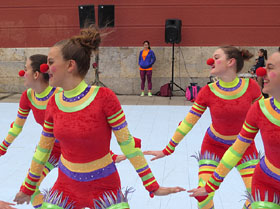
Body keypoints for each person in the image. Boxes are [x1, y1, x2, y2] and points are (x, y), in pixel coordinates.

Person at [14, 26, 184, 209]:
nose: (46, 69)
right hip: (66, 188)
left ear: (70, 65)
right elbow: (43, 150)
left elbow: (127, 144)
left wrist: (152, 185)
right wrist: (28, 187)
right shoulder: (54, 103)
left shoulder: (104, 97)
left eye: (51, 62)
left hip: (105, 188)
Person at [145, 46, 263, 209]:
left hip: (244, 148)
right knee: (203, 195)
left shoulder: (252, 87)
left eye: (216, 57)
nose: (210, 61)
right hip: (214, 147)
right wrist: (168, 149)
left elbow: (265, 119)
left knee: (259, 198)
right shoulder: (208, 91)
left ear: (230, 62)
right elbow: (188, 122)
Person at [190, 50, 280, 209]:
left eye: (270, 68)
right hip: (266, 182)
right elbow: (236, 149)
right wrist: (209, 187)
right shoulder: (259, 108)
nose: (261, 72)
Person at [0, 54, 63, 208]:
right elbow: (17, 126)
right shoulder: (27, 96)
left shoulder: (60, 94)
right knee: (31, 188)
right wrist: (3, 147)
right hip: (49, 150)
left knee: (74, 191)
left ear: (36, 74)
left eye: (25, 69)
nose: (22, 73)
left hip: (71, 151)